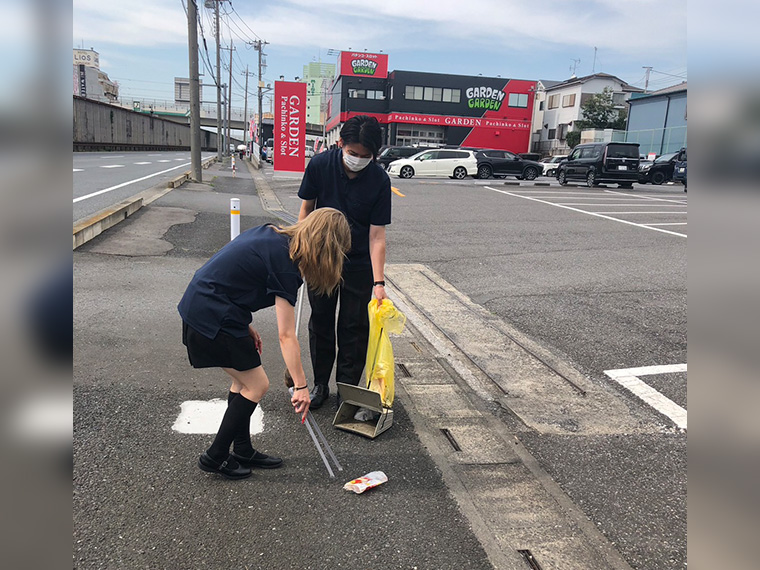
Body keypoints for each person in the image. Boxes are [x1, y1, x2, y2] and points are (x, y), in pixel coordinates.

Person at [178, 208, 351, 480]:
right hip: (211, 317)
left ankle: (243, 449)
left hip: (208, 307)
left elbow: (229, 274)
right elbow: (286, 335)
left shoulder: (274, 235)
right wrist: (302, 386)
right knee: (257, 385)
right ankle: (215, 456)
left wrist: (243, 323)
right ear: (327, 246)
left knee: (242, 384)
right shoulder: (287, 264)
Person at [297, 115, 392, 409]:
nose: (358, 160)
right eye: (353, 153)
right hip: (322, 258)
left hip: (359, 264)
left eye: (366, 156)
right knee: (321, 322)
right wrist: (301, 252)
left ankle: (346, 390)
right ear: (340, 144)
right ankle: (320, 384)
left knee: (354, 327)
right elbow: (305, 211)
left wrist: (379, 283)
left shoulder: (379, 180)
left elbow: (376, 236)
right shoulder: (320, 165)